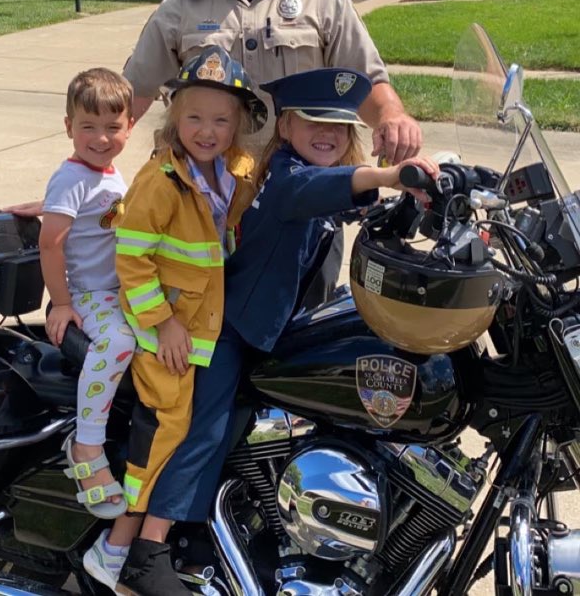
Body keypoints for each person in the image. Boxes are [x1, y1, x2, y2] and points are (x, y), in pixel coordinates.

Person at [88, 67, 439, 595]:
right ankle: (147, 550)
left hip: (272, 329)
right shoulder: (285, 177)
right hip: (226, 329)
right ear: (288, 124)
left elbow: (340, 199)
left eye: (340, 128)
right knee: (204, 428)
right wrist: (389, 177)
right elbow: (319, 189)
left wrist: (429, 193)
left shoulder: (292, 174)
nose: (328, 134)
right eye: (315, 122)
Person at [122, 0, 423, 308]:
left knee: (307, 346)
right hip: (208, 214)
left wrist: (394, 117)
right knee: (211, 339)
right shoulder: (180, 10)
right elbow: (130, 97)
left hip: (306, 209)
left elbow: (367, 82)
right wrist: (84, 182)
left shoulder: (323, 0)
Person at [82, 45, 266, 594]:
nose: (206, 131)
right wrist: (162, 323)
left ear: (237, 126)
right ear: (172, 118)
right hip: (165, 330)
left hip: (198, 323)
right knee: (167, 429)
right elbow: (131, 259)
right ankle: (116, 547)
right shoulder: (161, 179)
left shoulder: (231, 170)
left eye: (220, 120)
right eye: (193, 118)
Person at [39, 68, 137, 519]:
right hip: (88, 292)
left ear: (129, 127)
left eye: (112, 128)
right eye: (88, 127)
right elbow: (51, 241)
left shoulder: (107, 174)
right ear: (68, 128)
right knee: (118, 343)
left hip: (116, 289)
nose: (100, 138)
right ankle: (87, 447)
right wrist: (62, 302)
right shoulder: (74, 176)